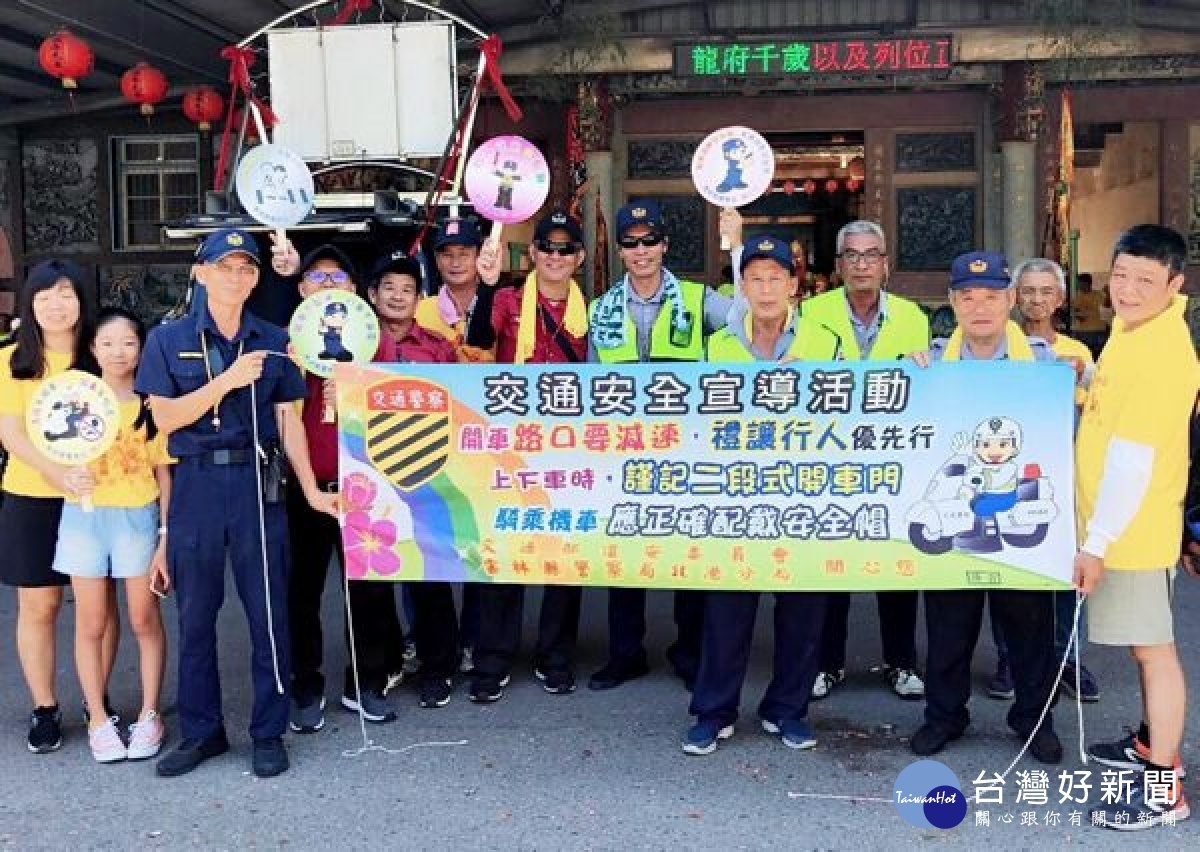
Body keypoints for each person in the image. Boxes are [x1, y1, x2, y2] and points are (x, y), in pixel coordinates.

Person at [137, 229, 336, 779]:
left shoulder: (272, 338)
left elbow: (289, 421)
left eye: (247, 268)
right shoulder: (167, 338)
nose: (237, 276)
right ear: (199, 273)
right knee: (196, 616)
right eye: (224, 266)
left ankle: (269, 732)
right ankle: (203, 733)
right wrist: (224, 382)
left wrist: (313, 489)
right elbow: (165, 417)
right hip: (196, 486)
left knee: (269, 614)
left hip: (256, 486)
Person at [684, 236, 840, 755]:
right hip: (738, 498)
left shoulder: (826, 341)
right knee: (727, 610)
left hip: (804, 496)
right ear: (741, 287)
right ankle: (714, 711)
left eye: (777, 277)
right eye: (756, 278)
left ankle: (788, 709)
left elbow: (855, 411)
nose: (767, 288)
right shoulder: (718, 346)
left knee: (802, 610)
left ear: (795, 285)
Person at [908, 250, 1063, 765]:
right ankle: (944, 716)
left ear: (1011, 301)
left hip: (1017, 521)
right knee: (949, 628)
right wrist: (908, 375)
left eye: (992, 296)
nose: (980, 307)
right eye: (968, 297)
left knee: (1029, 630)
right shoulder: (930, 363)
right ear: (952, 303)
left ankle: (1034, 718)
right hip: (959, 517)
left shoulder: (1043, 365)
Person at [1077, 225, 1198, 829]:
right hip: (1124, 523)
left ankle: (1165, 789)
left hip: (1131, 528)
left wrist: (1096, 545)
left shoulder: (1163, 353)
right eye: (1120, 275)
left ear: (1174, 284)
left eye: (1145, 281)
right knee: (1145, 645)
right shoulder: (1135, 328)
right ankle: (1151, 747)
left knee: (1155, 654)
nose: (1127, 289)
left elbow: (1133, 462)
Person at [586, 199, 733, 692]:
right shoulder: (601, 308)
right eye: (631, 242)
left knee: (687, 548)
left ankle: (690, 653)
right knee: (623, 550)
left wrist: (734, 247)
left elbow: (753, 324)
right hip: (624, 447)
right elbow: (587, 381)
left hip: (686, 447)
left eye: (650, 240)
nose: (642, 250)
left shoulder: (698, 298)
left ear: (665, 245)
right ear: (621, 251)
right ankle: (625, 653)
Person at [799, 221, 930, 702]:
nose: (860, 264)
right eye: (851, 256)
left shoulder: (913, 317)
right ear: (838, 266)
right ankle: (826, 663)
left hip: (892, 458)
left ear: (885, 265)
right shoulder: (811, 314)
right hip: (831, 457)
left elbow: (927, 387)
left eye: (870, 255)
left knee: (896, 562)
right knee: (833, 561)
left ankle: (902, 663)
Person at [283, 244, 407, 733]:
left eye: (338, 280)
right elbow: (278, 418)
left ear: (355, 291)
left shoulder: (376, 342)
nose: (327, 288)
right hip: (305, 485)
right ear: (300, 288)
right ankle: (305, 687)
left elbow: (401, 407)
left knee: (370, 590)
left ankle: (366, 683)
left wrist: (358, 395)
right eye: (317, 278)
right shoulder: (287, 344)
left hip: (365, 486)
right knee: (302, 591)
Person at [469, 211, 589, 703]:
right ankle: (493, 658)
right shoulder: (506, 300)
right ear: (533, 253)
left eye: (566, 250)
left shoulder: (594, 313)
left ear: (579, 259)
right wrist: (484, 284)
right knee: (504, 555)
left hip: (569, 448)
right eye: (547, 248)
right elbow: (477, 341)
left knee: (562, 556)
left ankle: (555, 656)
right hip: (510, 447)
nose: (556, 257)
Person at [0, 259, 114, 754]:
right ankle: (44, 706)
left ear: (81, 301)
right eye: (44, 295)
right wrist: (56, 472)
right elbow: (10, 431)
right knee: (39, 604)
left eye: (66, 293)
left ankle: (97, 699)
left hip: (101, 495)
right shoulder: (12, 359)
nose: (55, 303)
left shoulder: (101, 354)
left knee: (98, 608)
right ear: (30, 304)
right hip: (33, 494)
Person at [53, 308, 171, 763]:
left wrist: (165, 533)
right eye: (108, 343)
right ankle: (98, 720)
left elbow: (164, 471)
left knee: (143, 618)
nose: (118, 352)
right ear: (91, 349)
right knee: (90, 621)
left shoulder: (150, 402)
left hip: (137, 518)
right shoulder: (71, 400)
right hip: (83, 519)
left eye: (128, 342)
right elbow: (52, 453)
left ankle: (149, 713)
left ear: (142, 348)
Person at [987, 258, 1098, 704]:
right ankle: (1008, 658)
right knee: (1007, 567)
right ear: (1014, 297)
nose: (1036, 299)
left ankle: (1068, 658)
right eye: (1027, 291)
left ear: (1061, 298)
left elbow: (1094, 410)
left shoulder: (1076, 352)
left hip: (1066, 476)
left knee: (1067, 571)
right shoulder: (1000, 347)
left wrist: (1079, 377)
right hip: (1010, 477)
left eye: (1045, 291)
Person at [365, 249, 462, 709]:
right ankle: (383, 664)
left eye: (407, 290)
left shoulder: (437, 348)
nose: (398, 297)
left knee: (430, 572)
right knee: (375, 571)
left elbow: (459, 402)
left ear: (418, 298)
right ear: (372, 295)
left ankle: (438, 666)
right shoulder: (355, 344)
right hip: (368, 474)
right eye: (389, 288)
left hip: (426, 472)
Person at [414, 218, 503, 672]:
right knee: (430, 541)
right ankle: (430, 641)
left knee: (480, 540)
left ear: (478, 255)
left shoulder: (506, 301)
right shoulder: (421, 309)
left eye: (463, 251)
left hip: (489, 442)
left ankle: (476, 639)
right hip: (433, 444)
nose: (455, 261)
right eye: (446, 253)